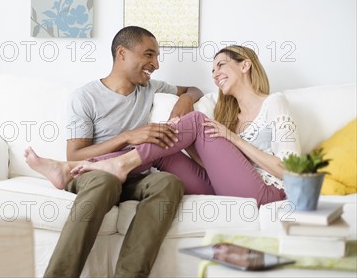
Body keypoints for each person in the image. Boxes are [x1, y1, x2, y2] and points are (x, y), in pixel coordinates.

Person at [25, 26, 204, 278]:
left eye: (157, 57)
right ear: (122, 53)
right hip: (92, 174)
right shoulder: (85, 97)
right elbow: (75, 155)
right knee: (107, 180)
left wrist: (186, 99)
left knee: (168, 182)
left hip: (134, 175)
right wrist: (127, 137)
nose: (156, 64)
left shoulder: (150, 88)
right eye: (149, 55)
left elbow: (193, 89)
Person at [66, 45, 302, 207]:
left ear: (245, 65)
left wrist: (233, 138)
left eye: (221, 65)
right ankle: (83, 168)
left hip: (266, 193)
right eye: (212, 70)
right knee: (162, 150)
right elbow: (223, 171)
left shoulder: (275, 103)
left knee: (197, 120)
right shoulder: (227, 114)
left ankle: (117, 164)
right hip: (227, 188)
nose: (215, 74)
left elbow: (291, 172)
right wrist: (187, 144)